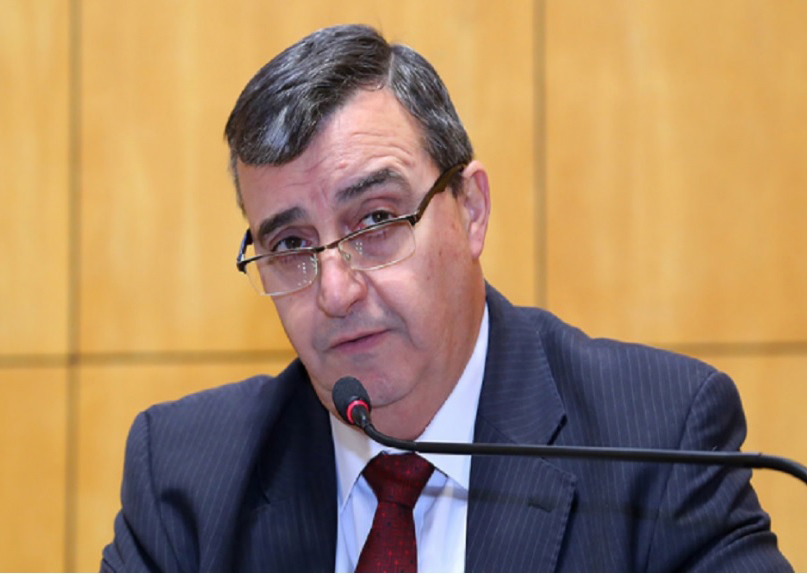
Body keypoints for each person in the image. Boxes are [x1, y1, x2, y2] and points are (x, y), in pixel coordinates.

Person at [101, 24, 792, 572]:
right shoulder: (188, 479)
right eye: (290, 245)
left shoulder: (656, 443)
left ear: (471, 210)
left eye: (376, 220)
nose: (336, 289)